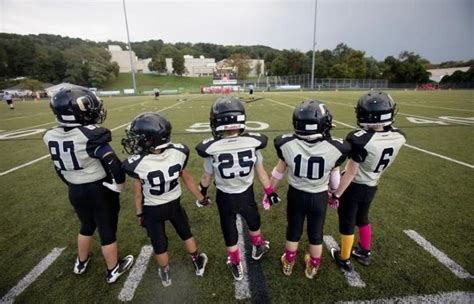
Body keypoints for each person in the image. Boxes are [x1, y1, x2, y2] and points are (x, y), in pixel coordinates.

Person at [43, 88, 134, 283]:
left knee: (86, 225)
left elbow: (59, 168)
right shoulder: (91, 135)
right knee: (106, 229)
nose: (95, 110)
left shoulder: (50, 135)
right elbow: (113, 163)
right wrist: (119, 184)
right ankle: (113, 269)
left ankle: (81, 261)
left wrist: (71, 183)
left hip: (74, 189)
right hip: (98, 189)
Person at [195, 96, 280, 281]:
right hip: (245, 193)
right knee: (253, 220)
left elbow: (206, 177)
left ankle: (235, 262)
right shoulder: (253, 143)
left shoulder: (211, 148)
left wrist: (201, 193)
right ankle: (257, 246)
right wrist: (269, 192)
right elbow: (261, 172)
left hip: (224, 196)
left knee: (229, 228)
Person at [122, 112, 209, 287]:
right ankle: (197, 260)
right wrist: (201, 198)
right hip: (174, 204)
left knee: (158, 241)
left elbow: (138, 193)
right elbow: (188, 179)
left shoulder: (137, 164)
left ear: (149, 140)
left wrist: (140, 213)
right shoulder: (179, 152)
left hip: (152, 209)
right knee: (185, 232)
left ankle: (165, 271)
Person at [270, 100, 350, 279]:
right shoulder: (337, 148)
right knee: (316, 233)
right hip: (319, 196)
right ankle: (313, 266)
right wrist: (334, 195)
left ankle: (289, 262)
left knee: (293, 230)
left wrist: (269, 190)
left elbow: (278, 172)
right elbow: (335, 179)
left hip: (296, 194)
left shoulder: (286, 144)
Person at [329, 91, 406, 272]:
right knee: (363, 218)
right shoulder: (400, 136)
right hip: (373, 184)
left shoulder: (361, 139)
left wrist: (336, 193)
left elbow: (351, 172)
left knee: (347, 221)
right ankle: (364, 251)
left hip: (355, 187)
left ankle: (344, 257)